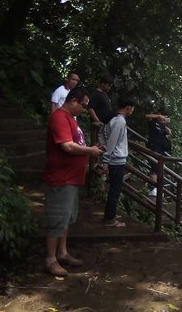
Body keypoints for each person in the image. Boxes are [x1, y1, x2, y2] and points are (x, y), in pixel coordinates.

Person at [43, 87, 104, 277]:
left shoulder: (70, 119)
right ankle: (50, 259)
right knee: (57, 218)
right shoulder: (59, 117)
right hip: (61, 179)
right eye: (83, 105)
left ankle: (62, 252)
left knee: (67, 218)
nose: (84, 110)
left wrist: (92, 148)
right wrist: (90, 151)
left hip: (71, 178)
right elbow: (67, 146)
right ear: (73, 101)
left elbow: (76, 144)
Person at [101, 98, 136, 227]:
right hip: (116, 161)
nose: (132, 111)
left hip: (115, 159)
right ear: (127, 107)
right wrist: (106, 161)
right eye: (132, 108)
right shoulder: (119, 122)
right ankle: (110, 219)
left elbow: (103, 133)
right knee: (115, 190)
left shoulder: (115, 119)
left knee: (114, 189)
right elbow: (112, 142)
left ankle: (111, 214)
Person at [145, 107, 172, 197]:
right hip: (153, 148)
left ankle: (157, 189)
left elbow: (168, 133)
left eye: (166, 116)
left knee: (159, 169)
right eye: (163, 115)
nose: (164, 118)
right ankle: (154, 189)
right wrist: (158, 116)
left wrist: (167, 131)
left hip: (161, 150)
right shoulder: (153, 122)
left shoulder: (164, 126)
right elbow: (147, 116)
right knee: (154, 169)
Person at [88, 76, 114, 144]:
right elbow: (90, 108)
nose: (109, 88)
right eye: (108, 85)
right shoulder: (95, 94)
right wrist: (97, 121)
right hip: (98, 126)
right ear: (103, 84)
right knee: (96, 145)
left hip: (105, 126)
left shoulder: (104, 94)